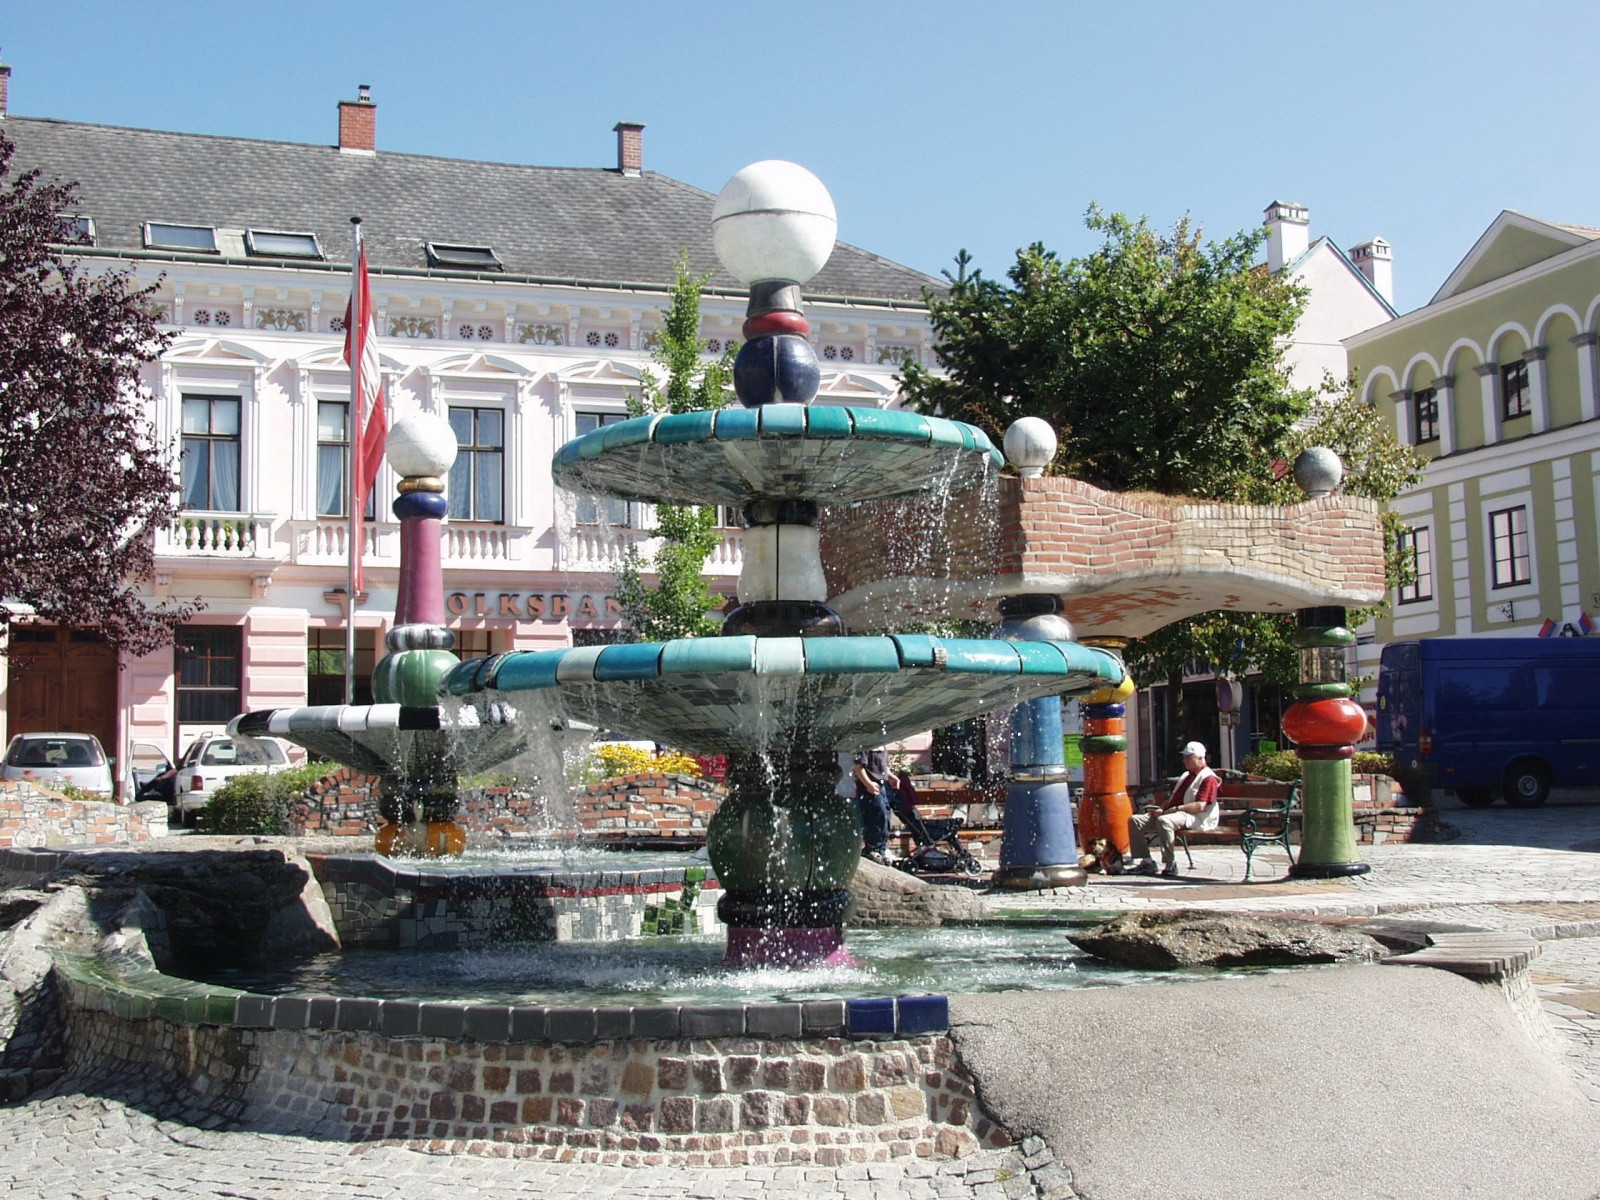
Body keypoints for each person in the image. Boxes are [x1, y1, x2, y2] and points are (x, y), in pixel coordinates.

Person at [1127, 741, 1220, 878]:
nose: (1185, 761)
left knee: (1165, 821)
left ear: (1200, 758)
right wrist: (1162, 808)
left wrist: (1177, 809)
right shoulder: (1186, 776)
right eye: (1184, 757)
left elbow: (1201, 806)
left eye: (1189, 757)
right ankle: (1146, 861)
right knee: (1135, 820)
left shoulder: (1208, 778)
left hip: (1196, 817)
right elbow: (1171, 800)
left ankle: (1170, 863)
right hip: (1176, 813)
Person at [853, 749, 895, 864]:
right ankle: (871, 848)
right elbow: (858, 768)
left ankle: (881, 848)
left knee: (885, 815)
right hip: (869, 789)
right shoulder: (868, 746)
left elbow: (884, 768)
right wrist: (868, 784)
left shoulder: (883, 748)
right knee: (876, 816)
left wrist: (891, 777)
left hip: (881, 787)